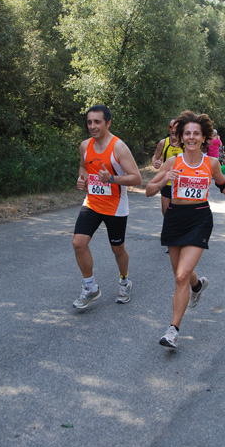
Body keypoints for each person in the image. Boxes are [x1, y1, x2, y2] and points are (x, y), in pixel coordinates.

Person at [145, 111, 225, 349]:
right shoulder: (173, 162)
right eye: (187, 133)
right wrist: (163, 180)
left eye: (196, 134)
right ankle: (197, 286)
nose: (191, 137)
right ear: (181, 137)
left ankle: (173, 330)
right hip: (174, 218)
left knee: (181, 275)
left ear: (203, 138)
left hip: (200, 218)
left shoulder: (211, 163)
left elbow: (223, 184)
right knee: (180, 272)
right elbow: (149, 189)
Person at [72, 105, 142, 309]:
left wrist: (111, 178)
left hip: (115, 206)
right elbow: (84, 167)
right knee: (78, 243)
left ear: (108, 123)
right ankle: (90, 286)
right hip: (92, 202)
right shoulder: (85, 145)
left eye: (97, 122)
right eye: (89, 122)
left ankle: (124, 281)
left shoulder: (118, 147)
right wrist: (81, 179)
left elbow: (137, 178)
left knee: (117, 249)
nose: (92, 126)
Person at [152, 119, 183, 216]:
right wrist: (155, 163)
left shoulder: (186, 144)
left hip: (181, 183)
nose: (173, 130)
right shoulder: (163, 143)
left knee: (179, 213)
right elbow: (155, 157)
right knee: (166, 213)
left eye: (176, 127)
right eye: (171, 127)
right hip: (166, 182)